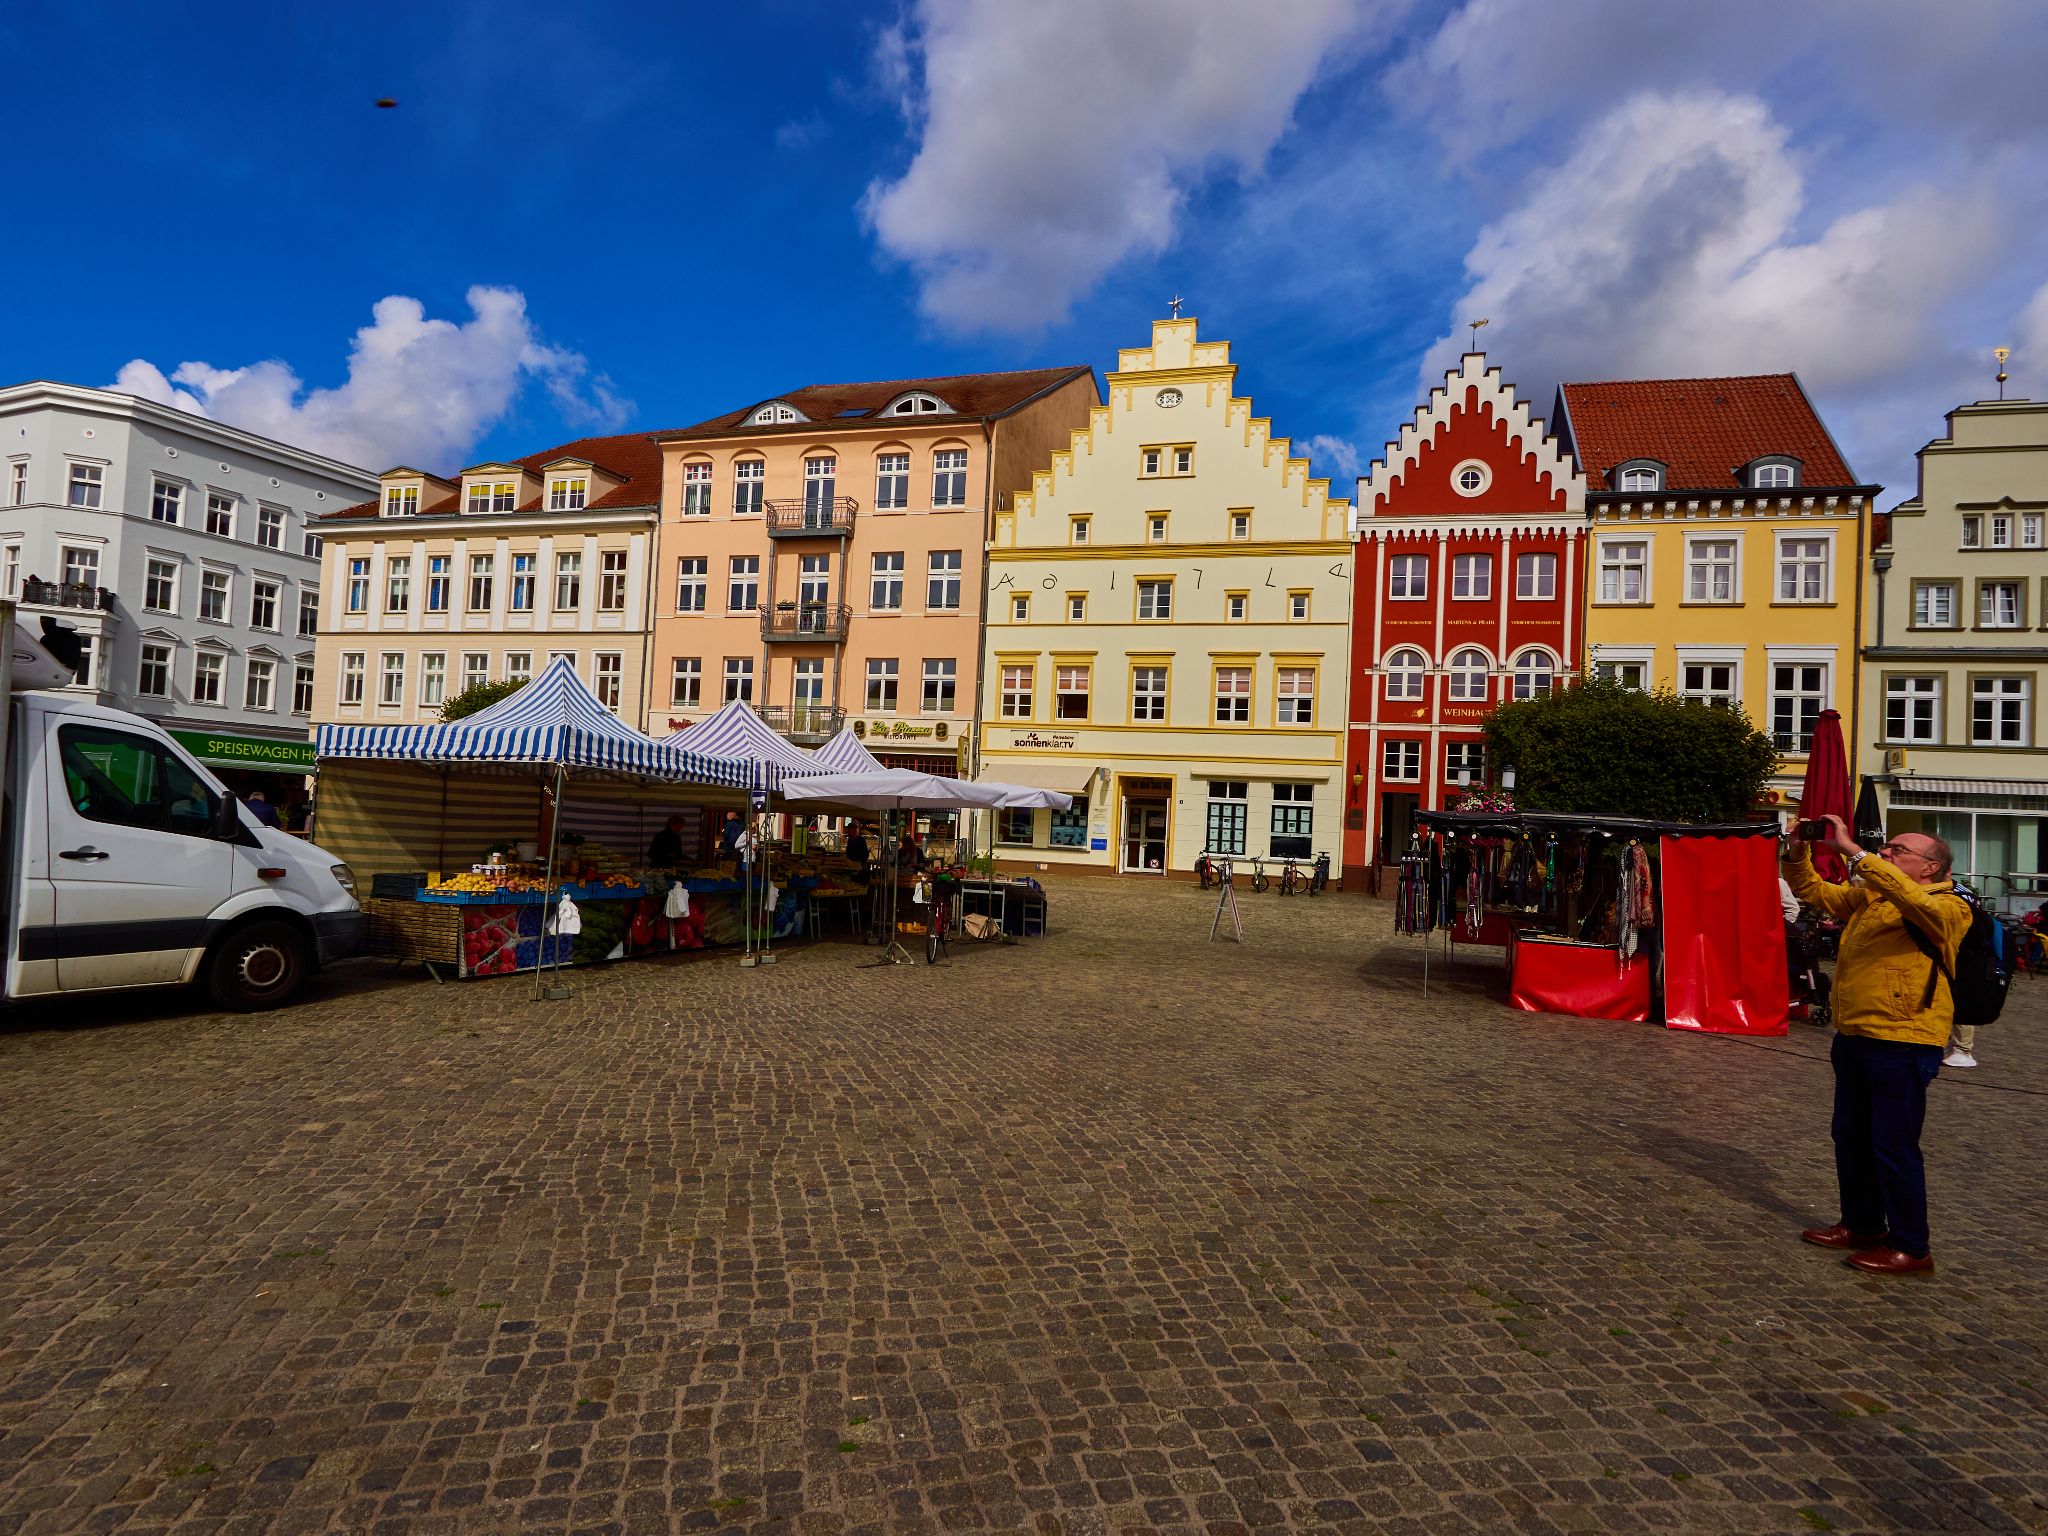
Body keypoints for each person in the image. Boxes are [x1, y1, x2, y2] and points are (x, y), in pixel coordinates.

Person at [1784, 814, 1970, 1277]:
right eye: (1886, 847)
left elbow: (1912, 900)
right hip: (1856, 1033)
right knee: (1850, 1137)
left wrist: (1856, 852)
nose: (1885, 852)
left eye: (1897, 850)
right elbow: (1814, 892)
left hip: (1903, 1039)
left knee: (1894, 1145)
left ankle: (1911, 1246)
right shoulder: (1874, 896)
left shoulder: (1950, 905)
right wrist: (1798, 850)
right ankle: (1863, 1224)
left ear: (1930, 867)